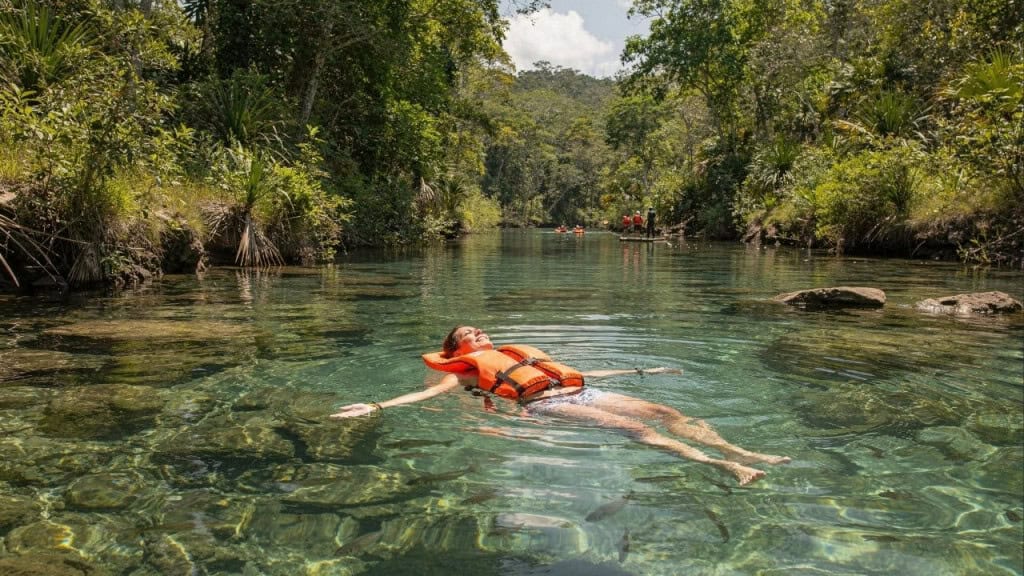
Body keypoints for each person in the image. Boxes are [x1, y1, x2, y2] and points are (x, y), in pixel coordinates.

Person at [330, 326, 790, 485]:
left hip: (577, 390)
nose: (480, 336)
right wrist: (377, 405)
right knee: (641, 432)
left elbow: (580, 373)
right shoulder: (466, 370)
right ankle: (723, 466)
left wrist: (642, 372)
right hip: (546, 407)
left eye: (481, 332)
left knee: (672, 415)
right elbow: (429, 393)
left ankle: (745, 453)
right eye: (470, 335)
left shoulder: (514, 353)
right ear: (457, 350)